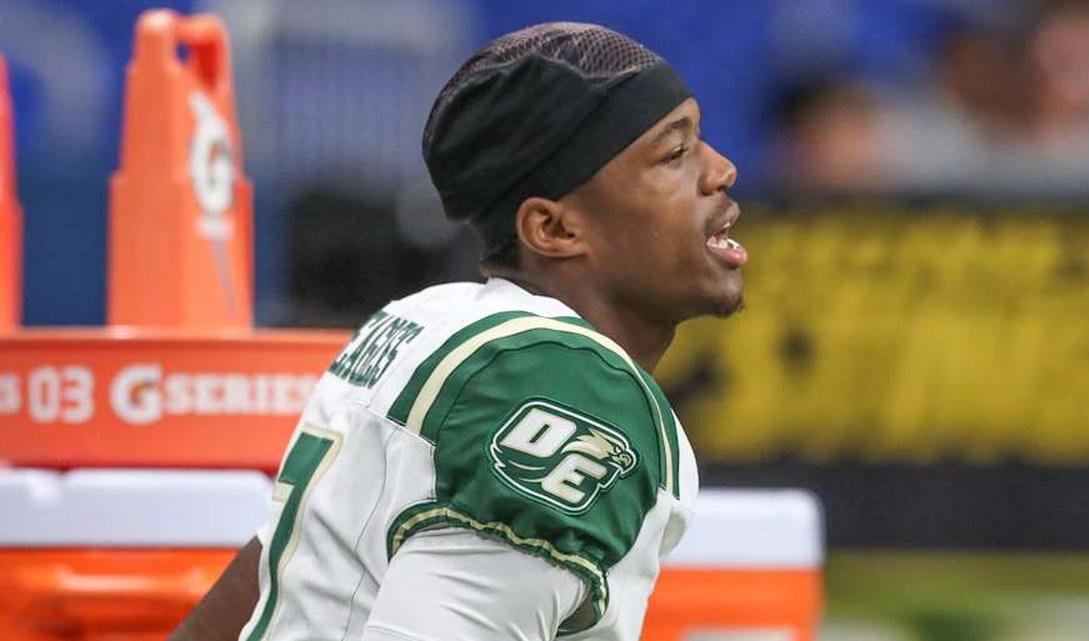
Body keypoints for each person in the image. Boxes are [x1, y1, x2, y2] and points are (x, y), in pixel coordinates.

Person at [169, 21, 745, 641]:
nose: (723, 170)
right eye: (674, 153)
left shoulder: (428, 321)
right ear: (554, 229)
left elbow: (269, 574)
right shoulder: (563, 383)